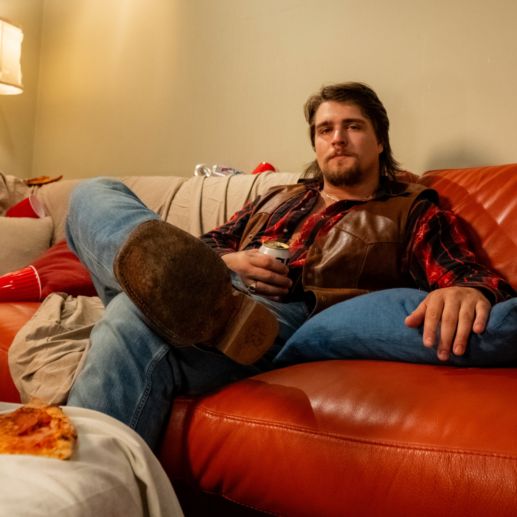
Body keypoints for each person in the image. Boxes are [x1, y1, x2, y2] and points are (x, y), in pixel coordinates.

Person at [65, 82, 515, 449]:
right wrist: (228, 262)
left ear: (379, 141)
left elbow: (465, 274)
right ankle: (171, 296)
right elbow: (198, 248)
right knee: (93, 193)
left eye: (352, 126)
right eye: (324, 130)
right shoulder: (279, 197)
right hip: (217, 291)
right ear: (315, 144)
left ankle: (156, 300)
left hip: (285, 318)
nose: (336, 137)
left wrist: (469, 290)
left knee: (130, 313)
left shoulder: (410, 208)